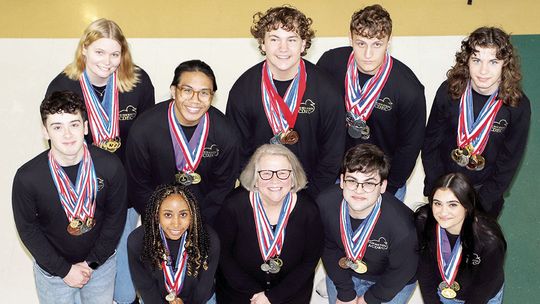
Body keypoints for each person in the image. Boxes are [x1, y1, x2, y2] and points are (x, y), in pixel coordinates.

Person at [45, 18, 155, 303]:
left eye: (115, 54)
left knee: (118, 251)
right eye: (99, 52)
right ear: (84, 50)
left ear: (123, 54)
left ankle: (125, 298)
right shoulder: (63, 86)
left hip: (124, 187)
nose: (107, 62)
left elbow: (145, 141)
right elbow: (59, 143)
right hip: (80, 189)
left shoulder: (138, 84)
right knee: (85, 253)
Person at [12, 91, 127, 304]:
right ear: (45, 131)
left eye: (74, 125)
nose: (67, 135)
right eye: (57, 127)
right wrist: (64, 271)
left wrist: (92, 262)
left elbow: (115, 218)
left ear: (85, 127)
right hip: (53, 273)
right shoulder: (27, 177)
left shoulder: (111, 167)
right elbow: (28, 230)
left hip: (100, 266)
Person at [226, 5, 346, 198]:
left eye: (292, 39)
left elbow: (333, 152)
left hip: (313, 192)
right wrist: (260, 190)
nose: (283, 48)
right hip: (261, 192)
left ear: (303, 43)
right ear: (263, 43)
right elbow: (239, 153)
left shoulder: (327, 90)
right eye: (274, 39)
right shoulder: (242, 90)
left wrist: (312, 196)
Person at [317, 4, 426, 202]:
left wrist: (388, 187)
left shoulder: (408, 88)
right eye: (360, 43)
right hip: (336, 176)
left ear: (389, 41)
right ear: (350, 39)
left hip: (383, 182)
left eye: (377, 44)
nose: (368, 54)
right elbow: (319, 119)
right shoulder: (330, 64)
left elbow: (410, 146)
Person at [422, 27, 531, 218]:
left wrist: (482, 204)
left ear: (505, 64)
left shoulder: (517, 105)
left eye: (493, 62)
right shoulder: (449, 92)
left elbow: (509, 161)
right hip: (444, 189)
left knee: (476, 247)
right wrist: (437, 189)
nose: (483, 70)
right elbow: (430, 143)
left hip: (484, 195)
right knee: (439, 245)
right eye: (476, 60)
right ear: (467, 61)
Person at [125, 60, 239, 224]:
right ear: (173, 91)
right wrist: (163, 219)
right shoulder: (144, 129)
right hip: (157, 220)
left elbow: (223, 187)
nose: (195, 99)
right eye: (187, 90)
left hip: (205, 221)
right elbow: (139, 185)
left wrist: (196, 222)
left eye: (204, 93)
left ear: (212, 97)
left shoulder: (226, 133)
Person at [215, 144, 323, 303]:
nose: (275, 180)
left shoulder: (308, 209)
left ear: (293, 178)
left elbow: (310, 260)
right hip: (239, 294)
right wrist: (255, 294)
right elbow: (223, 255)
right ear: (255, 179)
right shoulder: (233, 205)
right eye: (266, 173)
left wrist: (272, 297)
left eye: (283, 173)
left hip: (290, 296)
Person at [317, 143, 417, 304]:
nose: (359, 190)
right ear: (342, 181)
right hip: (346, 269)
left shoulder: (403, 226)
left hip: (389, 281)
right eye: (352, 180)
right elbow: (328, 247)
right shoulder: (325, 204)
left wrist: (371, 298)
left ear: (383, 186)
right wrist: (345, 293)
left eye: (369, 183)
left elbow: (402, 271)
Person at [415, 173, 506, 303]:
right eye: (437, 203)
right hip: (443, 293)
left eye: (452, 205)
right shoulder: (423, 222)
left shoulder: (489, 241)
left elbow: (483, 287)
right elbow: (424, 268)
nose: (443, 212)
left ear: (467, 206)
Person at [128, 184, 219, 304]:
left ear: (192, 214)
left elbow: (203, 287)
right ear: (156, 215)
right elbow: (145, 286)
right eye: (168, 215)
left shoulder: (208, 240)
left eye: (183, 214)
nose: (176, 224)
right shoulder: (138, 241)